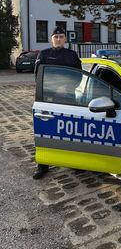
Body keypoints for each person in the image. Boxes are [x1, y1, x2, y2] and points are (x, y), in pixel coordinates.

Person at [33, 26, 82, 180]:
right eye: (56, 37)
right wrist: (54, 90)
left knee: (70, 130)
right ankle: (43, 165)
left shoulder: (72, 55)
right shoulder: (44, 54)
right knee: (45, 131)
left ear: (65, 39)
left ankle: (74, 162)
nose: (59, 39)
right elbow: (38, 76)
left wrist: (65, 89)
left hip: (68, 98)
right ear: (51, 39)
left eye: (61, 36)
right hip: (48, 99)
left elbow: (79, 76)